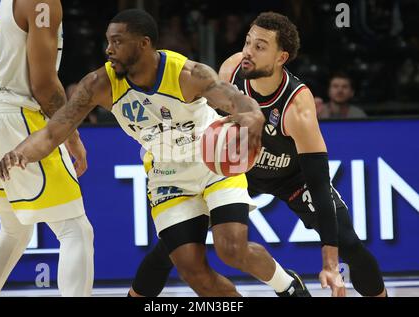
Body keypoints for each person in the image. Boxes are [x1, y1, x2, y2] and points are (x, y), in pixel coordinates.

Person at [0, 9, 310, 297]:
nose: (108, 49)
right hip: (167, 176)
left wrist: (253, 118)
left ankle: (287, 286)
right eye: (108, 41)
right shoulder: (99, 84)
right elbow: (55, 131)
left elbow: (239, 103)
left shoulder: (187, 73)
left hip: (212, 164)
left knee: (232, 249)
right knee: (192, 271)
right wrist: (21, 152)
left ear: (143, 44)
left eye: (117, 42)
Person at [128, 12, 387, 297]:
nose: (248, 51)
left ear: (281, 58)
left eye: (260, 46)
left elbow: (317, 180)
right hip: (238, 171)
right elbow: (207, 127)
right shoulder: (231, 70)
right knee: (174, 245)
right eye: (248, 42)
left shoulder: (297, 107)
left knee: (348, 242)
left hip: (292, 178)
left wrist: (329, 261)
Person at [0, 0, 94, 296]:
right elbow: (44, 85)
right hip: (17, 117)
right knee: (75, 230)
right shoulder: (41, 2)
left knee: (14, 231)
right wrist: (70, 135)